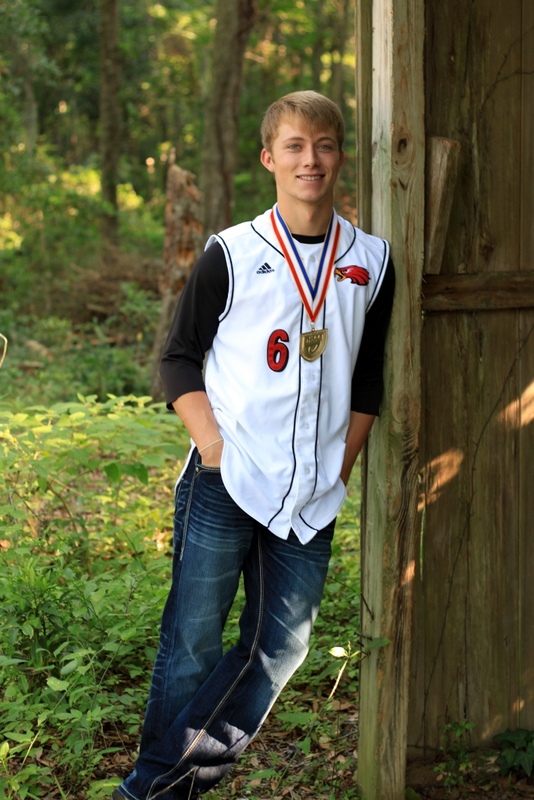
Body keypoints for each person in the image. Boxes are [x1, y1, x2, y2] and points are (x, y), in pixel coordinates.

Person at [115, 90, 394, 800]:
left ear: (340, 157)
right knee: (191, 643)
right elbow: (179, 359)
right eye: (295, 146)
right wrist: (213, 449)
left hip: (312, 492)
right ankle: (161, 791)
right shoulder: (232, 252)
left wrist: (340, 466)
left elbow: (367, 379)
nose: (310, 160)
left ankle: (151, 790)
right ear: (270, 158)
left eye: (323, 146)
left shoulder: (372, 260)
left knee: (281, 648)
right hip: (228, 479)